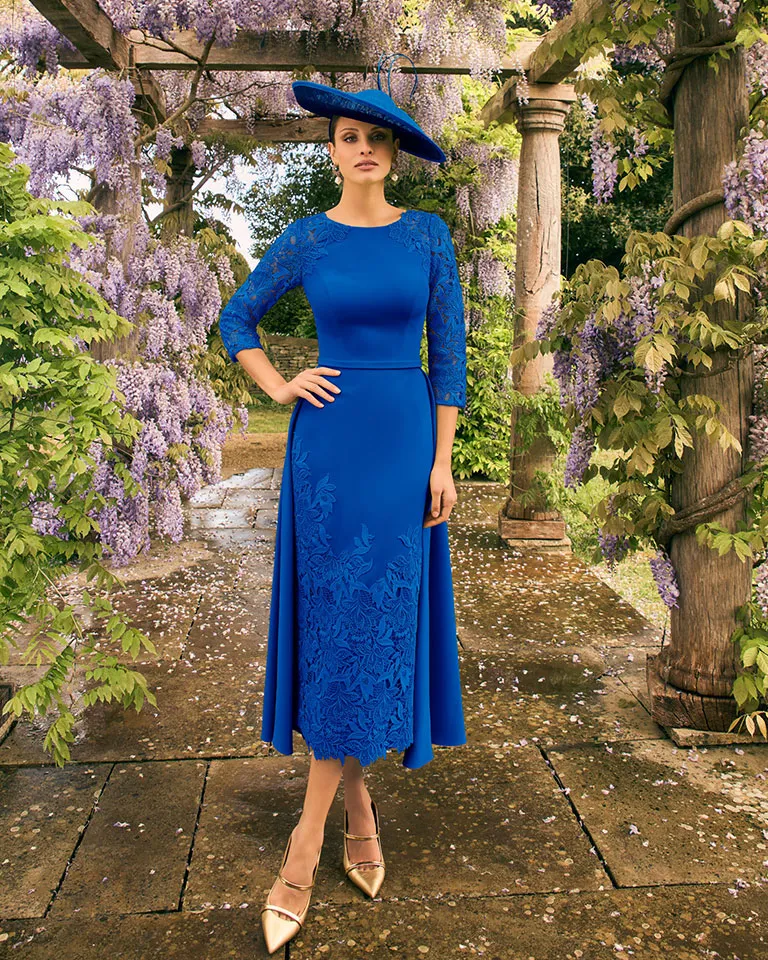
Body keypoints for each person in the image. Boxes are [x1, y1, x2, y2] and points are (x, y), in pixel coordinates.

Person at [218, 54, 468, 954]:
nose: (363, 148)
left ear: (394, 155)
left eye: (376, 139)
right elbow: (235, 319)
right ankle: (345, 819)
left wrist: (443, 462)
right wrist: (280, 384)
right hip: (325, 452)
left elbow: (451, 359)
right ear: (332, 150)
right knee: (338, 626)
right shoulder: (306, 240)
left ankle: (308, 839)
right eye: (348, 136)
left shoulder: (428, 237)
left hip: (403, 447)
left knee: (371, 622)